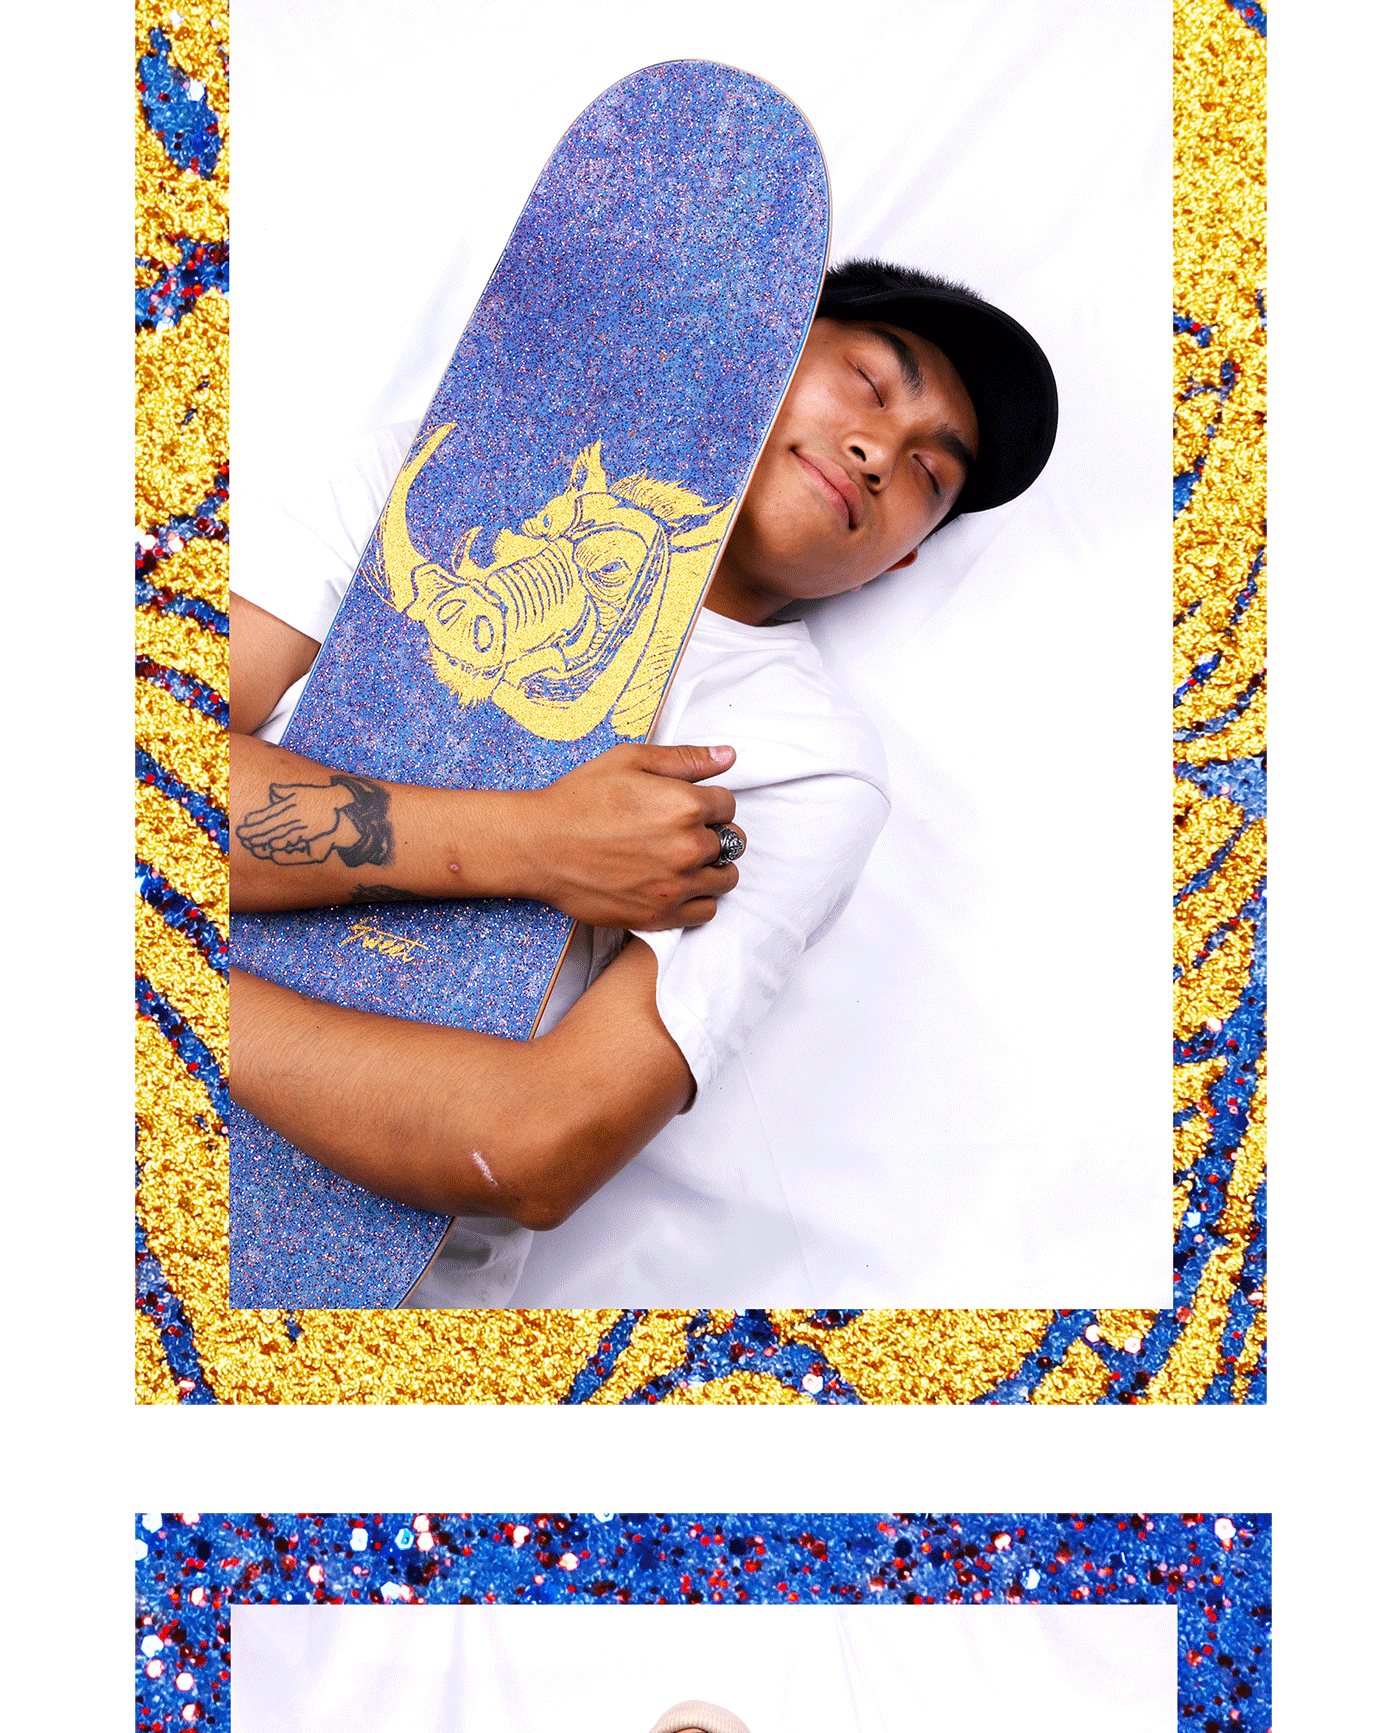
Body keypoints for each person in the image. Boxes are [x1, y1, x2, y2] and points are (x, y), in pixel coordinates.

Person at [230, 258, 1057, 1305]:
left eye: (930, 476)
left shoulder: (806, 758)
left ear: (898, 562)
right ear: (764, 350)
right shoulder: (440, 481)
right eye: (867, 381)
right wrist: (533, 843)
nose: (879, 452)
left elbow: (534, 1145)